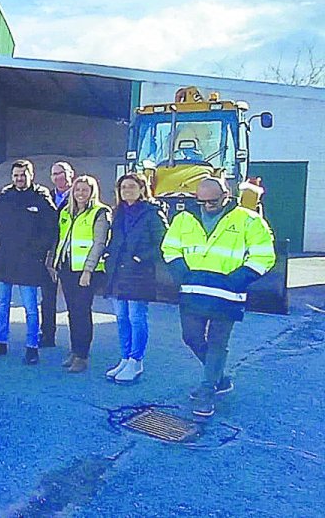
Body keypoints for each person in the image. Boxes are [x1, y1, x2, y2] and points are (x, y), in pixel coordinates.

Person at [163, 177, 276, 418]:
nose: (206, 206)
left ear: (226, 196)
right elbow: (169, 248)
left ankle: (207, 391)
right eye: (201, 201)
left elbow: (264, 256)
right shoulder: (183, 218)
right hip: (193, 290)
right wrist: (183, 274)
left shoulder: (249, 220)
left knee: (217, 343)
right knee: (191, 337)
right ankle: (219, 377)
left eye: (212, 201)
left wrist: (237, 280)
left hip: (227, 293)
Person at [0, 160, 58, 364]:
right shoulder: (4, 197)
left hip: (29, 260)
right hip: (5, 258)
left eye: (23, 175)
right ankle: (0, 342)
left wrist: (37, 251)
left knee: (30, 307)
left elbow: (51, 228)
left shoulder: (41, 198)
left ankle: (32, 347)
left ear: (31, 175)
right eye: (16, 175)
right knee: (2, 304)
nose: (19, 179)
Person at [103, 173, 168, 384]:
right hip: (118, 272)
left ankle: (136, 360)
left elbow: (164, 242)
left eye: (131, 186)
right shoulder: (118, 212)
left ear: (142, 189)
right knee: (121, 317)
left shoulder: (152, 213)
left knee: (136, 317)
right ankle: (125, 358)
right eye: (123, 187)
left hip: (139, 273)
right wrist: (108, 255)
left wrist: (140, 258)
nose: (127, 191)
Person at [54, 175, 110, 373]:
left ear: (92, 192)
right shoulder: (66, 211)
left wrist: (88, 270)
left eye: (85, 190)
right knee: (72, 311)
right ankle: (75, 350)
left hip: (86, 271)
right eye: (77, 190)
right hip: (67, 268)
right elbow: (62, 240)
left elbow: (99, 243)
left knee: (82, 312)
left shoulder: (100, 212)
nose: (80, 194)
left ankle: (82, 355)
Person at [40, 160, 75, 347]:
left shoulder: (79, 195)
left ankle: (76, 343)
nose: (57, 177)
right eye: (54, 174)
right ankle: (47, 335)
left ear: (71, 174)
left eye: (60, 173)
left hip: (70, 256)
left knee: (73, 302)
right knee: (47, 298)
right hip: (49, 255)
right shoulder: (47, 196)